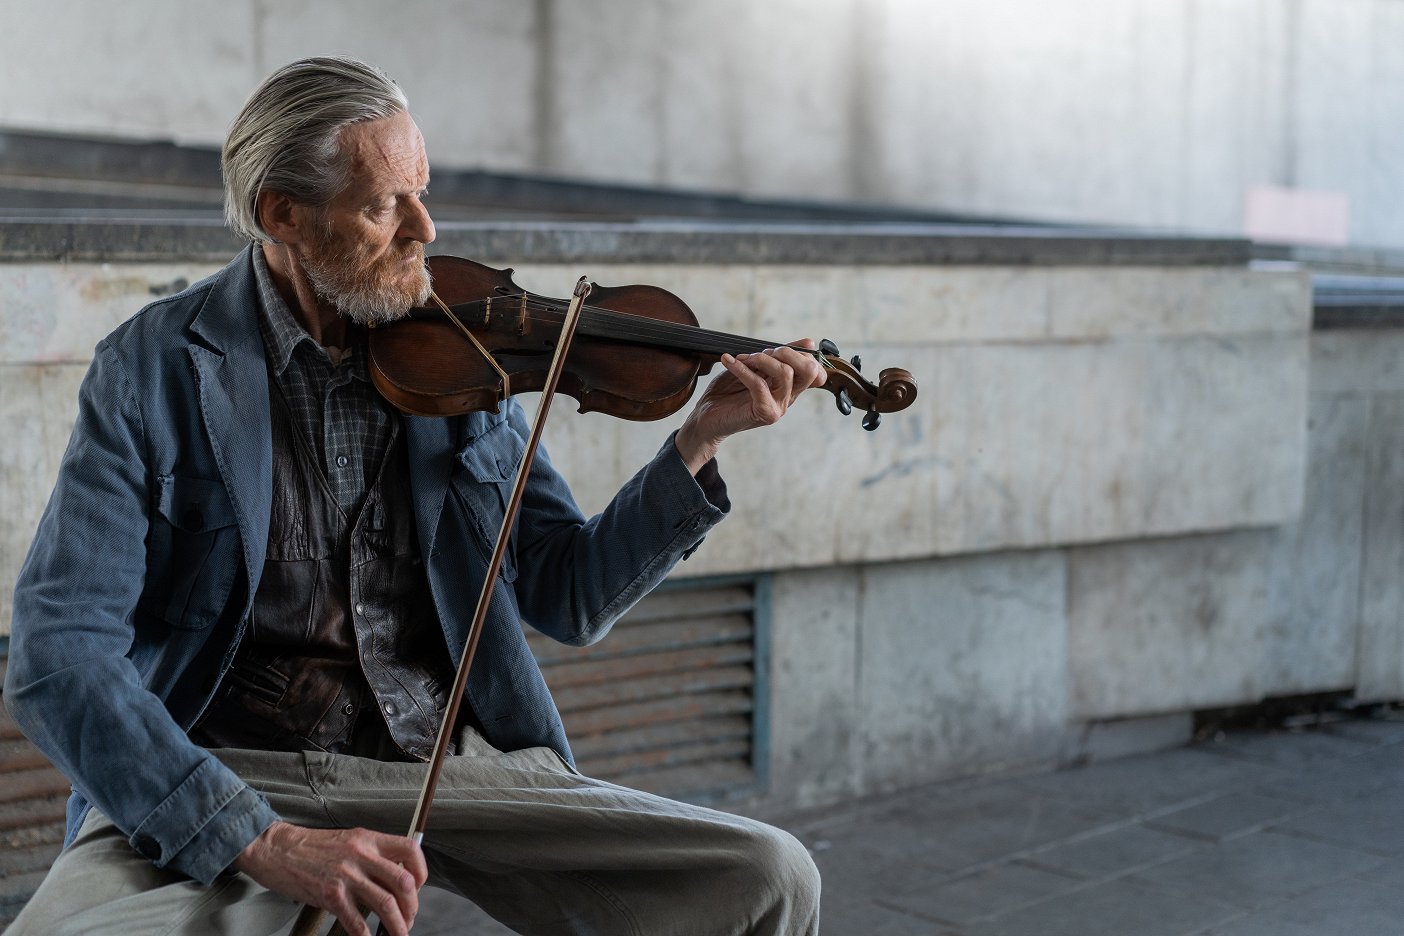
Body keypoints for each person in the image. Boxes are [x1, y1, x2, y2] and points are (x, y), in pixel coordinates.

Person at [4, 56, 824, 936]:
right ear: (283, 213)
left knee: (766, 875)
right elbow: (61, 654)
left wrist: (697, 442)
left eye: (422, 193)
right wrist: (259, 839)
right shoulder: (155, 365)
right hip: (230, 764)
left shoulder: (464, 348)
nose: (425, 230)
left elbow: (566, 593)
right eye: (383, 204)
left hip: (445, 759)